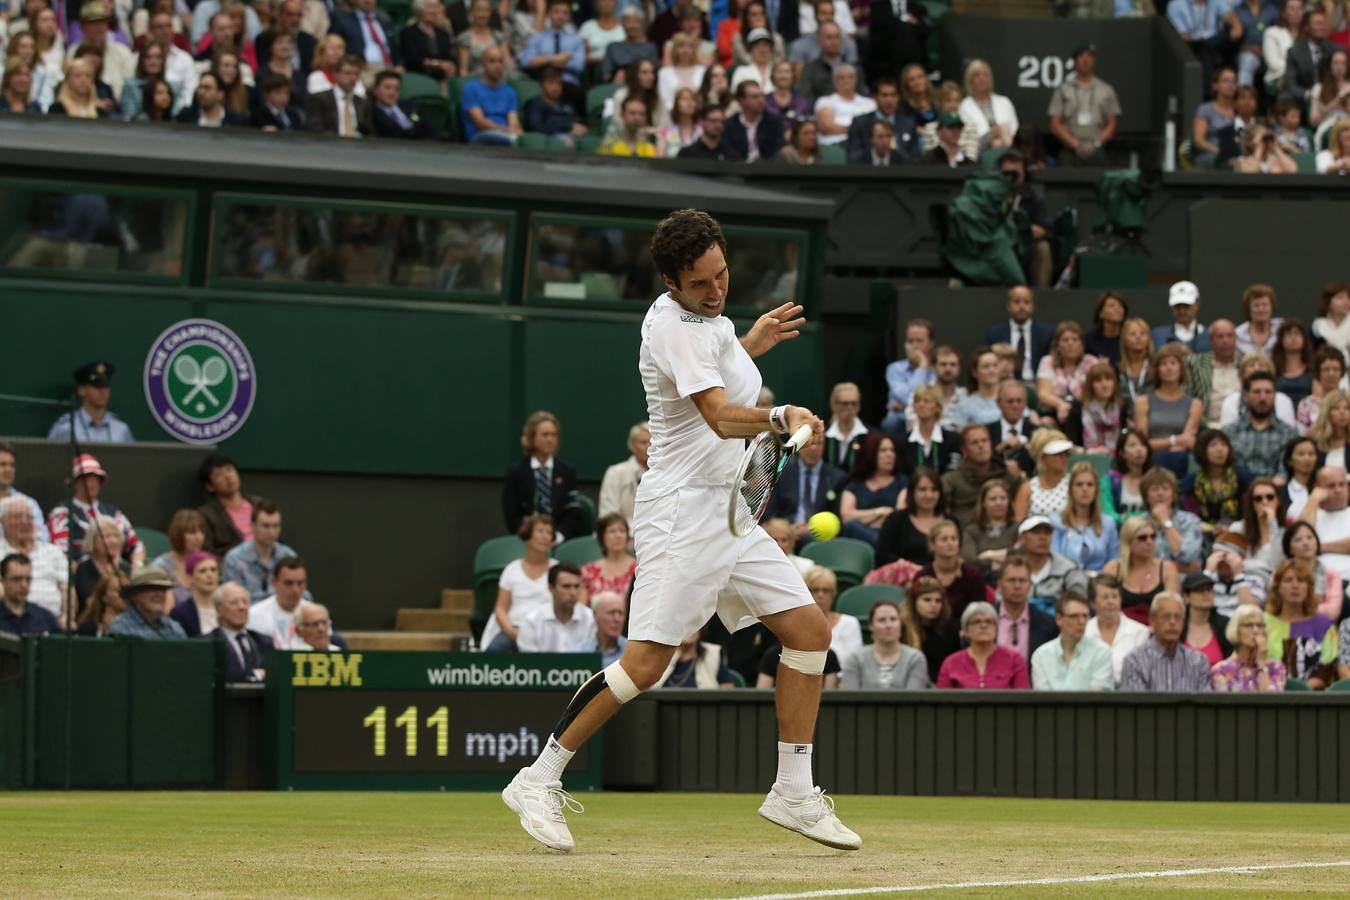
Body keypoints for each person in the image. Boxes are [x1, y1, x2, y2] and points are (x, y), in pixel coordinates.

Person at [504, 210, 860, 853]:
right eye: (701, 283)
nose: (716, 289)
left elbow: (715, 367)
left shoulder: (713, 323)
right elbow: (722, 417)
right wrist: (780, 415)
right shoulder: (672, 326)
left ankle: (793, 792)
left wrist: (747, 343)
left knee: (810, 631)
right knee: (646, 665)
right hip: (681, 515)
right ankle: (537, 777)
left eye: (722, 274)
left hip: (729, 510)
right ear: (672, 281)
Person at [47, 454, 142, 566]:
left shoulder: (113, 512)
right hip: (81, 572)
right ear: (75, 482)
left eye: (95, 479)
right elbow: (60, 551)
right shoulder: (61, 513)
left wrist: (137, 566)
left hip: (116, 570)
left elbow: (136, 545)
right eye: (85, 479)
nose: (91, 483)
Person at [482, 513, 557, 652]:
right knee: (494, 651)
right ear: (527, 537)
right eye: (540, 531)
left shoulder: (558, 569)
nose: (545, 536)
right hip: (515, 630)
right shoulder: (512, 569)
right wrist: (511, 632)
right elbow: (500, 608)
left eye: (549, 533)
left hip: (548, 632)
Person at [501, 411, 580, 541]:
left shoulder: (567, 471)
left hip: (560, 540)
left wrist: (558, 536)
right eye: (545, 435)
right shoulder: (516, 471)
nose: (550, 439)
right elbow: (511, 512)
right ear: (531, 438)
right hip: (526, 539)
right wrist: (529, 535)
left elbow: (573, 510)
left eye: (554, 435)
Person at [1263, 559, 1338, 687]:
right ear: (1277, 587)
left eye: (1301, 580)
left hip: (1313, 699)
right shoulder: (1262, 622)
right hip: (1268, 694)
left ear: (1309, 588)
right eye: (1288, 580)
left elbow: (1328, 666)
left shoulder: (1323, 625)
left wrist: (1301, 691)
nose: (1295, 585)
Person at [1119, 592, 1212, 691]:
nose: (1173, 622)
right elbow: (1135, 705)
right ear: (1152, 620)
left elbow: (1204, 705)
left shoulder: (1198, 662)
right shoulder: (1135, 661)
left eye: (1177, 617)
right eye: (1166, 616)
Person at [1135, 343, 1204, 475]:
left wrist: (1168, 444)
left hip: (1181, 461)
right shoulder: (1142, 402)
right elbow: (1142, 444)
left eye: (1173, 363)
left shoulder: (1195, 404)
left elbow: (1187, 441)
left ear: (1181, 368)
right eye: (1164, 364)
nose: (1169, 367)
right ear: (1157, 370)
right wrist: (1174, 440)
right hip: (1150, 462)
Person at [1047, 43, 1120, 166]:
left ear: (1094, 60)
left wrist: (1096, 143)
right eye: (1081, 56)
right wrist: (1075, 144)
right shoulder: (1063, 89)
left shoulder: (1106, 89)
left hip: (1097, 148)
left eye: (1089, 56)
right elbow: (1055, 124)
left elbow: (1112, 123)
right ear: (1074, 61)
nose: (1085, 60)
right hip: (1070, 148)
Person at [769, 435, 847, 548]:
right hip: (784, 530)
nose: (813, 448)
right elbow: (769, 510)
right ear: (799, 446)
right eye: (808, 443)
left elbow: (838, 516)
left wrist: (810, 528)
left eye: (818, 443)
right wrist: (787, 529)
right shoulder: (781, 472)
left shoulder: (837, 477)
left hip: (820, 534)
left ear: (824, 446)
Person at [1104, 516, 1183, 624]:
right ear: (1128, 541)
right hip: (1121, 633)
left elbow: (1172, 609)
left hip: (1157, 633)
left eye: (1153, 536)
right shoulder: (1113, 569)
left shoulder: (1167, 569)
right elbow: (1104, 607)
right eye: (1142, 538)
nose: (1149, 541)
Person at [943, 423, 1023, 528]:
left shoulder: (1007, 475)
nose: (981, 446)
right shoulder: (951, 480)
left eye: (984, 441)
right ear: (964, 449)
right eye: (974, 442)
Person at [936, 601, 1030, 689]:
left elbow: (1024, 701)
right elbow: (941, 702)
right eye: (977, 622)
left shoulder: (1015, 660)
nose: (983, 626)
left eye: (989, 622)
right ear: (966, 631)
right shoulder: (951, 663)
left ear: (996, 629)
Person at [839, 598, 930, 689]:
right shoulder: (855, 658)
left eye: (893, 619)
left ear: (900, 623)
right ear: (871, 626)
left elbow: (914, 698)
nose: (888, 625)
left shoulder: (915, 658)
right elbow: (850, 696)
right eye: (882, 620)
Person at [1030, 592, 1112, 691]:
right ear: (1059, 619)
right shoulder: (1041, 655)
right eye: (1074, 616)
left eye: (1085, 616)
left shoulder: (1102, 652)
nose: (1081, 621)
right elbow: (1043, 700)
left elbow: (1096, 699)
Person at [220, 499, 297, 604]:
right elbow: (232, 600)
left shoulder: (288, 556)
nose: (272, 532)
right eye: (266, 526)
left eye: (276, 526)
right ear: (252, 526)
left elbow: (302, 593)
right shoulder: (235, 559)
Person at [0, 498, 65, 620]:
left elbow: (67, 589)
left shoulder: (54, 552)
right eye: (17, 517)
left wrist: (67, 616)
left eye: (29, 517)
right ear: (3, 522)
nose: (25, 522)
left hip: (51, 623)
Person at [1225, 372, 1300, 478]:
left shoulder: (1289, 433)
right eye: (1257, 392)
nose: (1263, 398)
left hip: (1276, 490)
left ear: (1275, 395)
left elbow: (1285, 472)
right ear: (1246, 396)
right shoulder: (1229, 432)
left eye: (1268, 392)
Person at [1052, 461, 1120, 575]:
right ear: (1070, 490)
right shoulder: (1056, 521)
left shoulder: (1108, 523)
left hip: (1100, 583)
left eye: (1090, 484)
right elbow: (1054, 561)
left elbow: (1114, 563)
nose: (1085, 489)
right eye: (1079, 484)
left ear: (1096, 490)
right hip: (1065, 583)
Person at [913, 519, 987, 622]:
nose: (950, 543)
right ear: (932, 544)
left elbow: (980, 612)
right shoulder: (923, 575)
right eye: (944, 539)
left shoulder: (972, 575)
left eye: (954, 539)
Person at [1084, 574, 1150, 687]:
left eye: (1115, 596)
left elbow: (1140, 672)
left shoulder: (1140, 632)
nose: (1111, 602)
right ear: (1093, 603)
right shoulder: (1084, 630)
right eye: (1105, 597)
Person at [46, 360, 133, 443]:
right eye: (97, 386)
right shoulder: (66, 428)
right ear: (82, 390)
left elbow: (132, 458)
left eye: (106, 386)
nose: (103, 391)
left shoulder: (121, 429)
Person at [839, 432, 901, 547]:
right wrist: (879, 512)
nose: (890, 455)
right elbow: (846, 517)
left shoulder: (902, 483)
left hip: (891, 540)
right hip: (859, 540)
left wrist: (862, 517)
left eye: (892, 450)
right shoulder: (855, 485)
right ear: (871, 453)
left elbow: (899, 518)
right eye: (883, 450)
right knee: (852, 526)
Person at [517, 563, 595, 653]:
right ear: (550, 588)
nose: (573, 592)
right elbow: (529, 663)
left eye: (576, 586)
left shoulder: (591, 620)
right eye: (566, 586)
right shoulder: (531, 622)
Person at [1181, 430, 1249, 533]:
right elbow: (1190, 517)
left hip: (1238, 531)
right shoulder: (1191, 482)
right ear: (1202, 450)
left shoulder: (1243, 478)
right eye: (1213, 445)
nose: (1220, 449)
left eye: (1224, 445)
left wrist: (1231, 528)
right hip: (1202, 531)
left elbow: (1250, 514)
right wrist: (1211, 529)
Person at [1139, 466, 1205, 573]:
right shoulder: (1137, 523)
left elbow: (1188, 555)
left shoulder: (1190, 520)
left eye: (1165, 488)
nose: (1160, 493)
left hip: (1184, 585)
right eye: (1154, 489)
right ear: (1146, 496)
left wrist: (1166, 522)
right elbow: (1134, 562)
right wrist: (1181, 568)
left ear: (1173, 494)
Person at [205, 582, 272, 683]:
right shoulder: (208, 644)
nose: (242, 607)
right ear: (219, 610)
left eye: (245, 602)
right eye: (234, 603)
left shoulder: (263, 641)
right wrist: (254, 676)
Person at [875, 468, 943, 567]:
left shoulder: (950, 521)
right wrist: (909, 568)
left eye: (934, 490)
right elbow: (882, 556)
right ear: (912, 492)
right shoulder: (895, 520)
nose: (929, 495)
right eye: (922, 489)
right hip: (901, 579)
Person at [985, 285, 1052, 384]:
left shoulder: (1046, 333)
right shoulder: (995, 333)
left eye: (1026, 302)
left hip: (1037, 384)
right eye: (1017, 302)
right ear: (1008, 306)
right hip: (1004, 383)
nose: (1022, 306)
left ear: (1033, 306)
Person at [1211, 604, 1286, 692]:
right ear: (1236, 630)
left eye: (1260, 625)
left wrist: (1261, 663)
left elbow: (1272, 702)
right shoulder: (1221, 670)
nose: (1255, 630)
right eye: (1249, 625)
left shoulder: (1275, 666)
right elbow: (1223, 704)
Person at [846, 76, 918, 164]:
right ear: (875, 97)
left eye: (893, 95)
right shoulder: (860, 123)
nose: (889, 100)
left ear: (898, 97)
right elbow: (853, 156)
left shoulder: (909, 124)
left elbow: (914, 158)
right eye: (884, 95)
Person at [245, 556, 313, 649]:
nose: (295, 590)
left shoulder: (316, 615)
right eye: (288, 583)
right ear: (274, 582)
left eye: (300, 583)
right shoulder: (254, 615)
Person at [195, 454, 255, 558]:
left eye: (229, 470)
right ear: (210, 486)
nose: (228, 476)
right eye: (219, 475)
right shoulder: (205, 515)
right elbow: (207, 554)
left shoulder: (258, 504)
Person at [1185, 318, 1241, 427]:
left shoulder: (1246, 364)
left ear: (1236, 339)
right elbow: (1186, 397)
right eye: (1220, 336)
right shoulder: (1195, 364)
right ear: (1211, 340)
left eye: (1230, 336)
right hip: (1206, 425)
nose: (1225, 341)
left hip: (1240, 426)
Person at [107, 565, 187, 640]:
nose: (159, 594)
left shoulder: (173, 628)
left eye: (163, 589)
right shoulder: (120, 627)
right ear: (134, 594)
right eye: (152, 588)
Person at [957, 58, 1017, 154]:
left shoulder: (1004, 101)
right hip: (978, 148)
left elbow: (1013, 127)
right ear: (970, 80)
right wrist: (991, 134)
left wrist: (999, 140)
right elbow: (969, 137)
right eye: (977, 75)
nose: (982, 78)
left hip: (1004, 142)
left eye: (985, 75)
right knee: (1000, 132)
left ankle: (1006, 153)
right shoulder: (964, 106)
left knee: (1002, 130)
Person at [461, 46, 520, 144]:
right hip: (481, 136)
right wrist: (506, 130)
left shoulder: (510, 92)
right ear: (483, 64)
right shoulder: (470, 88)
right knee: (510, 139)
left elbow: (513, 122)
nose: (497, 66)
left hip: (507, 134)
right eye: (492, 61)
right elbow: (480, 123)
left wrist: (513, 131)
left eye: (500, 61)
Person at [71, 515, 129, 614]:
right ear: (92, 540)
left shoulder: (127, 569)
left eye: (116, 536)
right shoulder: (82, 569)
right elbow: (91, 603)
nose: (113, 541)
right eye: (106, 536)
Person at [1065, 362, 1126, 454]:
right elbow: (1071, 445)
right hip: (1086, 459)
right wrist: (1090, 452)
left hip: (1118, 459)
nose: (1105, 385)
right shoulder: (1077, 409)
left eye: (1108, 379)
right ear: (1090, 385)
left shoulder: (1122, 407)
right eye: (1098, 381)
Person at [962, 479, 1015, 582]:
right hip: (980, 582)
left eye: (1003, 498)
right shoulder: (971, 531)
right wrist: (1002, 558)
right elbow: (970, 562)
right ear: (983, 503)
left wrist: (988, 554)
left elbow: (1022, 554)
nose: (998, 503)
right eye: (993, 499)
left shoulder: (1018, 528)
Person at [897, 386, 957, 477]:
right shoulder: (902, 442)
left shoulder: (953, 440)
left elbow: (953, 473)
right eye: (917, 401)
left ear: (938, 407)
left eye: (926, 401)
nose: (921, 405)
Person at [301, 54, 368, 135]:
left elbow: (370, 133)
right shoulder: (319, 99)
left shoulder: (363, 103)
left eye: (356, 74)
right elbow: (315, 130)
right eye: (347, 73)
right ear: (335, 74)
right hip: (330, 145)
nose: (353, 78)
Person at [1013, 433, 1073, 522]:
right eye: (1057, 454)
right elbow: (1018, 523)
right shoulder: (1027, 488)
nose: (1063, 458)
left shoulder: (1074, 483)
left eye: (1066, 453)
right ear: (1043, 458)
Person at [598, 423, 650, 525]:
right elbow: (608, 513)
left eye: (652, 443)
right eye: (643, 442)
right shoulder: (615, 473)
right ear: (632, 445)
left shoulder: (664, 474)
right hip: (623, 535)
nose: (649, 447)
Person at [1180, 570, 1233, 669]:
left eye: (1209, 589)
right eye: (1200, 590)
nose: (1206, 594)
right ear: (1186, 597)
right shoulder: (1178, 627)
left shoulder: (1225, 625)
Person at [814, 61, 874, 146]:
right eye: (841, 78)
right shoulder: (825, 101)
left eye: (850, 77)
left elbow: (875, 128)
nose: (846, 80)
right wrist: (859, 130)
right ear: (834, 81)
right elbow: (827, 127)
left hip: (864, 145)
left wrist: (844, 129)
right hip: (835, 145)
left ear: (856, 80)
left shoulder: (869, 103)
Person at [1282, 6, 1335, 101]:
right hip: (1304, 98)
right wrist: (1308, 95)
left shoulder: (1334, 50)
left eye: (1324, 23)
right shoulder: (1295, 52)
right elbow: (1290, 85)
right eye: (1318, 24)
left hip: (1330, 98)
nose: (1322, 27)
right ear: (1307, 27)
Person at [723, 79, 785, 161]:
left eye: (762, 96)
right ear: (742, 100)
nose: (761, 100)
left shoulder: (774, 123)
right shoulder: (730, 125)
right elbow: (729, 153)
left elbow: (777, 151)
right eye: (755, 97)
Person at [329, 0, 399, 71]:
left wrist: (399, 65)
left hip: (389, 67)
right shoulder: (342, 19)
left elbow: (396, 46)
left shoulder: (385, 19)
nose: (368, 1)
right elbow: (334, 43)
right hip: (360, 68)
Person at [0, 553, 60, 635]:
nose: (24, 585)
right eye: (17, 579)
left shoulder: (45, 617)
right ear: (3, 581)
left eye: (28, 579)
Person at [988, 380, 1037, 479]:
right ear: (999, 403)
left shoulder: (1036, 432)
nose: (1015, 406)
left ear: (1025, 403)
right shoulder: (987, 431)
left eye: (1019, 401)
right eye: (1010, 401)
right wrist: (999, 449)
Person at [1297, 347, 1349, 440]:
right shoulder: (1306, 404)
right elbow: (1302, 437)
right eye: (1326, 369)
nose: (1331, 374)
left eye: (1336, 369)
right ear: (1318, 373)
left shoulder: (1348, 398)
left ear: (1342, 372)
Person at [1190, 67, 1237, 168]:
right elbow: (1199, 141)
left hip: (1235, 156)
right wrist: (1221, 152)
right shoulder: (1205, 109)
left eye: (1233, 81)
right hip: (1211, 156)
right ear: (1215, 86)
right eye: (1226, 81)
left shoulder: (1239, 110)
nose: (1230, 85)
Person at [168, 552, 219, 637]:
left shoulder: (228, 608)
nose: (210, 575)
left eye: (213, 570)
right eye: (202, 571)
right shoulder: (180, 613)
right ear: (190, 578)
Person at [456, 0, 511, 79]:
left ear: (490, 12)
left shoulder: (499, 36)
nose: (483, 14)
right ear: (471, 12)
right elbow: (463, 70)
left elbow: (507, 62)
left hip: (499, 80)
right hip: (476, 81)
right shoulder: (464, 38)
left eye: (486, 10)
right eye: (479, 10)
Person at [572, 590, 627, 667]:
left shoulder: (633, 653)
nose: (617, 619)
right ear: (595, 615)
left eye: (621, 613)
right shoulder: (578, 654)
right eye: (611, 612)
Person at [950, 348, 1002, 430]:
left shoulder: (1011, 399)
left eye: (995, 365)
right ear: (974, 372)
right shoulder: (965, 404)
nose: (991, 370)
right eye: (986, 366)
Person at [1153, 281, 1211, 352]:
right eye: (1177, 306)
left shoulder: (1210, 336)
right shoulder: (1158, 336)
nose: (1182, 311)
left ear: (1197, 303)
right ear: (1172, 307)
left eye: (1186, 306)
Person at [823, 382, 868, 471]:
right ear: (834, 405)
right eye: (845, 403)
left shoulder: (870, 436)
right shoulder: (823, 436)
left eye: (854, 403)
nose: (850, 407)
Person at [602, 8, 656, 82]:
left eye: (636, 22)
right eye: (628, 21)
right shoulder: (612, 47)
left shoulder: (650, 48)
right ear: (622, 24)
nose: (632, 25)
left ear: (642, 25)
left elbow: (654, 73)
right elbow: (606, 75)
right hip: (618, 85)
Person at [369, 69, 424, 139]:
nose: (392, 93)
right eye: (387, 88)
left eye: (396, 89)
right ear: (375, 90)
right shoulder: (372, 113)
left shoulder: (411, 107)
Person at [1273, 319, 1315, 407]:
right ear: (1281, 340)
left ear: (1304, 339)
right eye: (1288, 334)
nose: (1293, 337)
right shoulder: (1273, 369)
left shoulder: (1313, 368)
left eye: (1297, 334)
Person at [1235, 283, 1283, 356]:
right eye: (1256, 305)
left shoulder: (1282, 328)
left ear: (1272, 307)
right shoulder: (1238, 334)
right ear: (1248, 309)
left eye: (1265, 305)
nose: (1261, 309)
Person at [73, 571, 125, 637]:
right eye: (117, 590)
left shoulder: (135, 624)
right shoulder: (87, 629)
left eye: (127, 590)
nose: (125, 595)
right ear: (104, 597)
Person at [1280, 437, 1320, 520]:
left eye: (1311, 454)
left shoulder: (1324, 488)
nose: (1307, 458)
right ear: (1289, 461)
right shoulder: (1280, 492)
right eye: (1301, 454)